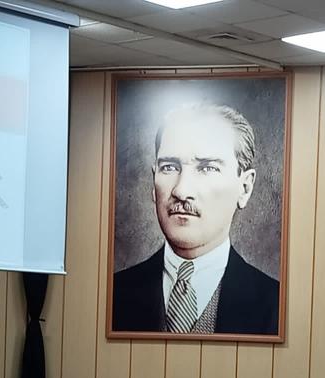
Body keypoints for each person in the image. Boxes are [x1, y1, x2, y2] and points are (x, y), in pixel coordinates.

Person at [111, 103, 279, 336]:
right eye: (169, 167)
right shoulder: (113, 293)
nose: (181, 190)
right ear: (153, 180)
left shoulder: (277, 305)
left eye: (207, 168)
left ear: (245, 188)